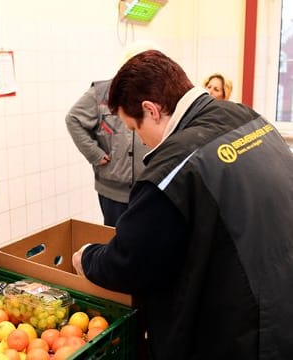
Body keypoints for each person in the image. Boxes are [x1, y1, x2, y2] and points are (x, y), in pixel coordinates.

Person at [72, 50, 293, 359]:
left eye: (135, 129)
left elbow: (130, 263)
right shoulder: (248, 118)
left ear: (151, 110)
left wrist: (87, 258)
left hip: (243, 336)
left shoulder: (172, 169)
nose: (143, 142)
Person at [65, 42, 154, 226]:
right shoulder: (101, 93)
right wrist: (94, 154)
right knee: (116, 240)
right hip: (113, 189)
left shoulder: (154, 93)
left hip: (148, 186)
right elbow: (73, 119)